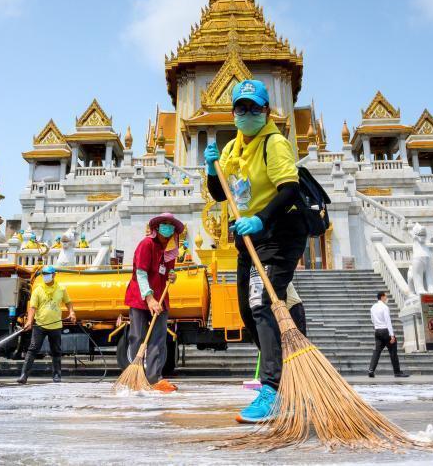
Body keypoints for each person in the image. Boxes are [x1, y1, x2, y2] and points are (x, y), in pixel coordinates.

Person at [204, 79, 309, 424]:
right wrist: (210, 170)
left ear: (266, 111)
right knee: (249, 313)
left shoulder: (274, 143)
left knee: (262, 302)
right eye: (241, 107)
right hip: (249, 237)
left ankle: (272, 389)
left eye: (254, 107)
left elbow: (290, 190)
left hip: (279, 230)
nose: (247, 113)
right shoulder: (232, 147)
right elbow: (223, 196)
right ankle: (290, 368)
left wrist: (262, 219)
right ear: (233, 112)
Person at [123, 212, 183, 393]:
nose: (168, 227)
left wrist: (172, 276)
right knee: (138, 337)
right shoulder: (146, 244)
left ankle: (154, 378)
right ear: (156, 228)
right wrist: (149, 298)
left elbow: (166, 273)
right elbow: (140, 273)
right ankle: (136, 377)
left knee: (158, 339)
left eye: (171, 224)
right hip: (141, 297)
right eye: (164, 224)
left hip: (161, 298)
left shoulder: (171, 249)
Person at [18, 265, 76, 384]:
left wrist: (72, 312)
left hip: (55, 326)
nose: (45, 276)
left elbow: (68, 302)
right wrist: (29, 321)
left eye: (48, 274)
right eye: (44, 274)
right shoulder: (38, 290)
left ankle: (57, 375)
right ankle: (24, 375)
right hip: (40, 325)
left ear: (54, 275)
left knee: (56, 351)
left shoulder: (61, 289)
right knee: (33, 349)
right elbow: (32, 307)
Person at [368, 292, 408, 378]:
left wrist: (377, 325)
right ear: (382, 297)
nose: (387, 298)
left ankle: (371, 369)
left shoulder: (373, 307)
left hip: (377, 331)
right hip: (386, 331)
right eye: (386, 296)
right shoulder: (385, 307)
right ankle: (397, 372)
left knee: (377, 351)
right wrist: (392, 335)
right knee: (393, 351)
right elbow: (388, 321)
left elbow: (372, 320)